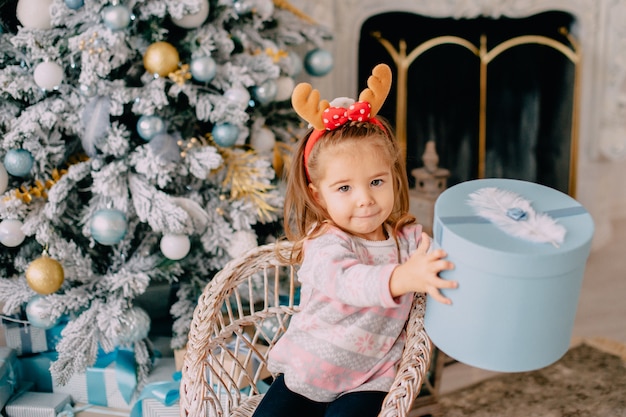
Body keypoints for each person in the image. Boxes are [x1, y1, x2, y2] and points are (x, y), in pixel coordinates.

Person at [252, 63, 457, 417]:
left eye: (376, 182)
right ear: (319, 197)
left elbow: (438, 262)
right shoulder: (324, 242)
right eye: (344, 188)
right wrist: (402, 277)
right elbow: (349, 282)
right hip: (308, 370)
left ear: (393, 178)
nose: (365, 199)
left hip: (370, 376)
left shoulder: (405, 238)